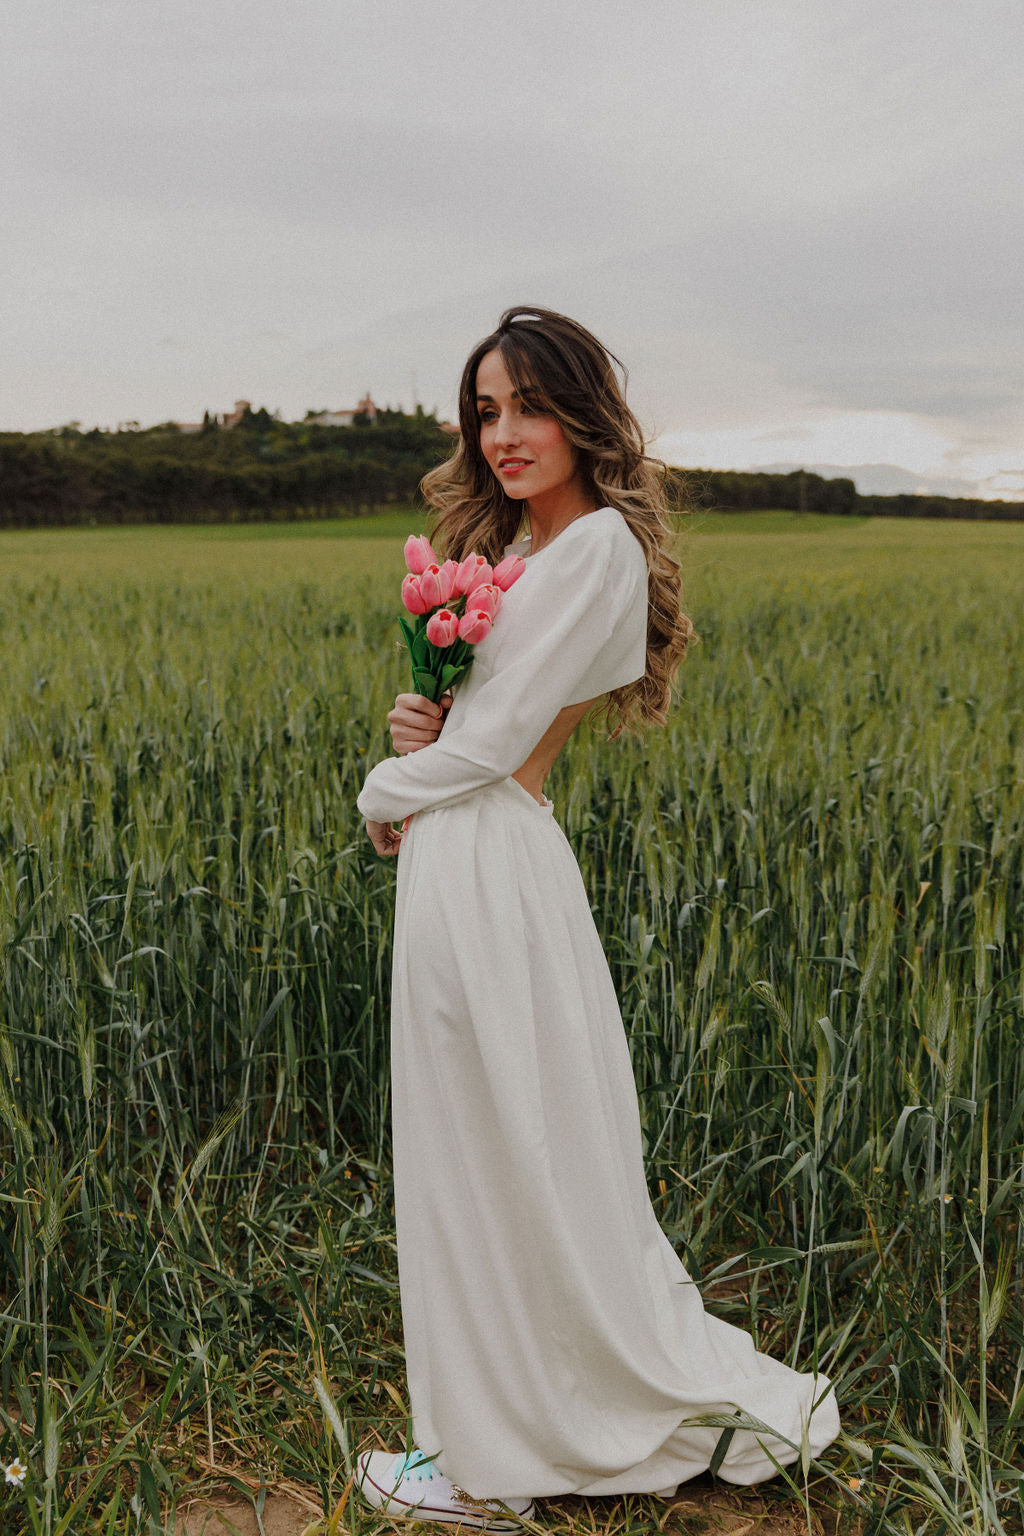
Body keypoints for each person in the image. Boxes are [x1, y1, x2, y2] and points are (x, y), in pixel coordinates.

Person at [355, 307, 840, 1529]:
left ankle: (493, 1461)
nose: (503, 432)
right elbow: (478, 735)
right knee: (472, 1148)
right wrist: (421, 738)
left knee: (503, 1149)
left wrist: (378, 787)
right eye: (483, 410)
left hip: (490, 865)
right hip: (459, 856)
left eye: (527, 403)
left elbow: (508, 742)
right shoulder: (520, 553)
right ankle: (483, 1432)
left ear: (580, 408)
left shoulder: (599, 548)